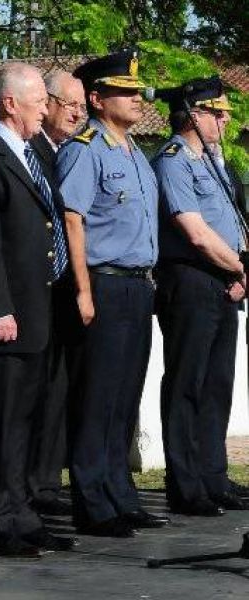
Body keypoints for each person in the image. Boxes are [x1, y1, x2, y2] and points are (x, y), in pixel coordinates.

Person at [0, 63, 76, 558]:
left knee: (23, 418)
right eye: (39, 102)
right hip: (4, 316)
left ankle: (19, 510)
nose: (46, 109)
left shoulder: (31, 155)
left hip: (36, 307)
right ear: (11, 104)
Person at [57, 50, 169, 537]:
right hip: (103, 281)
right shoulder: (86, 148)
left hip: (137, 286)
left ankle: (119, 493)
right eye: (125, 91)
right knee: (97, 396)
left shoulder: (136, 154)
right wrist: (82, 289)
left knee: (124, 397)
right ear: (98, 99)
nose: (137, 99)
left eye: (137, 91)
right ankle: (93, 501)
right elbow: (72, 220)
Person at [152, 77, 247, 515]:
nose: (225, 119)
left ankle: (213, 475)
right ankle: (185, 483)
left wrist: (240, 270)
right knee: (187, 382)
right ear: (193, 115)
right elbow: (194, 230)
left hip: (226, 281)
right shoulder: (174, 160)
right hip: (191, 279)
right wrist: (241, 265)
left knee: (217, 385)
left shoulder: (213, 162)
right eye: (216, 112)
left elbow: (233, 224)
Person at [26, 69, 86, 517]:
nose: (78, 112)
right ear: (45, 103)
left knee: (61, 386)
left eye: (82, 105)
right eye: (70, 104)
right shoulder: (34, 153)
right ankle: (36, 484)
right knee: (39, 389)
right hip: (40, 289)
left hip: (65, 289)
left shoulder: (69, 152)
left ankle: (48, 480)